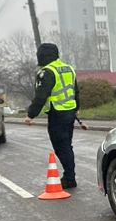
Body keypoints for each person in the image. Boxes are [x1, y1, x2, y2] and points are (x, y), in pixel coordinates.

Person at [26, 42, 79, 189]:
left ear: (42, 56)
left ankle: (70, 178)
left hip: (57, 114)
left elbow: (41, 96)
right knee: (67, 145)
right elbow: (76, 91)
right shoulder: (68, 69)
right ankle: (70, 176)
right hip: (70, 112)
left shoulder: (47, 72)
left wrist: (31, 115)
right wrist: (77, 108)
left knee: (61, 147)